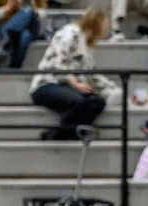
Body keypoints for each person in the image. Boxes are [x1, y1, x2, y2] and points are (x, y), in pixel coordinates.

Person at [30, 7, 119, 141]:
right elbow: (58, 63)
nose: (105, 29)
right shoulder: (71, 32)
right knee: (78, 101)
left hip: (68, 87)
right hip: (47, 84)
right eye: (104, 24)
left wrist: (116, 89)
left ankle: (74, 132)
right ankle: (54, 135)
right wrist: (76, 84)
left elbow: (92, 76)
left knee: (98, 101)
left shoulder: (86, 46)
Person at [0, 0, 47, 68]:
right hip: (12, 27)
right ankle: (15, 65)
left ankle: (5, 36)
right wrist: (8, 8)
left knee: (27, 9)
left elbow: (44, 13)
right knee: (25, 35)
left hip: (31, 26)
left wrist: (33, 9)